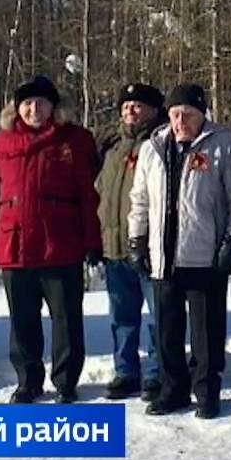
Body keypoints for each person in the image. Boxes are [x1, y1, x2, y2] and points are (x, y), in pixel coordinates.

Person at [0, 75, 103, 404]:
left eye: (41, 103)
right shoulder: (1, 143)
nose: (34, 109)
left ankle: (65, 382)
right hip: (15, 246)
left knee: (66, 320)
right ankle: (28, 380)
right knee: (22, 322)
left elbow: (89, 196)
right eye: (27, 103)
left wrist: (93, 242)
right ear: (17, 108)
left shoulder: (75, 140)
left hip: (60, 245)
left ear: (53, 107)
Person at [129, 83, 231, 418]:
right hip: (163, 256)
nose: (181, 120)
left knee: (206, 332)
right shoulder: (152, 148)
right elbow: (139, 199)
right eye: (175, 114)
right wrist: (137, 239)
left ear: (202, 115)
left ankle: (207, 391)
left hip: (204, 254)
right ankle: (173, 390)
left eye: (189, 115)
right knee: (167, 330)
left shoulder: (223, 144)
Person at [96, 83, 166, 401]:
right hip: (114, 247)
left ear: (153, 110)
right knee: (121, 317)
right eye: (126, 107)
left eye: (137, 106)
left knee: (158, 316)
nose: (130, 112)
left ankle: (156, 372)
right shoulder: (112, 149)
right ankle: (125, 371)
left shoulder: (161, 142)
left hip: (150, 247)